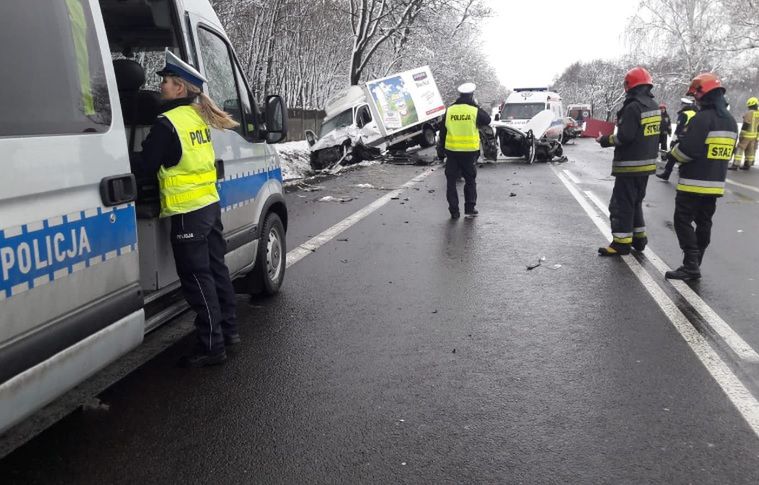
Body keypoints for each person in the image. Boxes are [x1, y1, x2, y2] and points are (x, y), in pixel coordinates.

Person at [139, 50, 240, 367]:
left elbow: (146, 165)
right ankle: (229, 331)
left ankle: (212, 347)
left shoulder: (167, 123)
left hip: (186, 214)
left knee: (198, 280)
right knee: (216, 271)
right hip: (209, 207)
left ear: (180, 88)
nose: (162, 89)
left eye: (166, 83)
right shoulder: (197, 118)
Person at [664, 73, 737, 280]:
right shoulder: (731, 122)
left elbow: (688, 151)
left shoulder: (702, 119)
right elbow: (728, 153)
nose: (695, 100)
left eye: (695, 96)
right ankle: (697, 262)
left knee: (682, 220)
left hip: (693, 183)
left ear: (702, 94)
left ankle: (690, 265)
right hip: (715, 185)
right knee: (704, 222)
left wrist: (673, 154)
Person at [596, 67, 660, 256]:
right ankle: (639, 240)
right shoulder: (653, 106)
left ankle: (621, 243)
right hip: (646, 166)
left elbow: (625, 137)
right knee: (635, 203)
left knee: (621, 205)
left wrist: (605, 140)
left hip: (629, 165)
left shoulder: (633, 107)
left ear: (629, 85)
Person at [437, 82, 491, 219]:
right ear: (472, 95)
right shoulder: (474, 110)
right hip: (469, 152)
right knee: (470, 180)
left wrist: (440, 150)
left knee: (451, 182)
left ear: (459, 95)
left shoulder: (450, 110)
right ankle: (470, 208)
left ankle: (454, 211)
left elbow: (443, 132)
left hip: (452, 151)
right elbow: (487, 120)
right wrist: (475, 105)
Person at [657, 97, 697, 181]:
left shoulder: (684, 114)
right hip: (692, 139)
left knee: (673, 155)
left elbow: (679, 128)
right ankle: (679, 174)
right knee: (681, 157)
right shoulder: (695, 113)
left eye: (682, 104)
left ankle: (666, 174)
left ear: (684, 105)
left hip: (682, 138)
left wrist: (673, 140)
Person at [730, 96, 759, 170]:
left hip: (746, 135)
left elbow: (746, 124)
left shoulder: (750, 113)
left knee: (740, 148)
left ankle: (735, 164)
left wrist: (741, 134)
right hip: (754, 136)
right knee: (750, 150)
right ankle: (747, 164)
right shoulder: (758, 113)